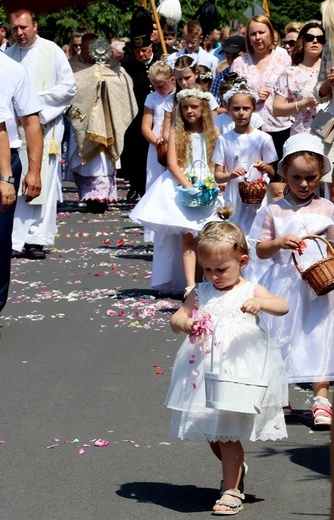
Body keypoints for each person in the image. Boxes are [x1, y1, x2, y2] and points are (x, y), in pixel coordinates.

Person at [165, 208, 288, 515]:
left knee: (228, 431)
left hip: (237, 370)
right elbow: (180, 315)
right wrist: (184, 323)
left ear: (242, 262)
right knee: (210, 430)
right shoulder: (201, 292)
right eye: (207, 270)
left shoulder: (249, 289)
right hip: (203, 370)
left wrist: (261, 303)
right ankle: (235, 470)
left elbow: (282, 305)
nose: (213, 276)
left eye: (221, 269)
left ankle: (231, 489)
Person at [250, 133, 334, 426]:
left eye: (310, 177)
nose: (303, 184)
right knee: (282, 338)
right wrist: (278, 242)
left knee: (319, 336)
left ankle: (321, 398)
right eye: (296, 177)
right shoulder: (273, 210)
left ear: (320, 174)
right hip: (285, 282)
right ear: (284, 173)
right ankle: (280, 394)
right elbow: (259, 249)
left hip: (319, 284)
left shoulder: (327, 208)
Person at [130, 88, 221, 297]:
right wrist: (188, 186)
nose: (190, 111)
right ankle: (190, 285)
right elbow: (172, 163)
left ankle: (203, 282)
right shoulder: (176, 133)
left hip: (207, 183)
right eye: (186, 107)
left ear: (203, 109)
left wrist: (213, 181)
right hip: (183, 183)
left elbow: (216, 161)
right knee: (188, 237)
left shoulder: (213, 134)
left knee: (206, 239)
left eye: (194, 107)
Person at [7, 9, 76, 260]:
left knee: (43, 182)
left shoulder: (52, 51)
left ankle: (37, 239)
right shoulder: (8, 55)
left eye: (24, 27)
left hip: (45, 128)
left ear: (35, 26)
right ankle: (15, 238)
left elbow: (68, 88)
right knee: (17, 180)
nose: (19, 33)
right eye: (15, 28)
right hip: (17, 127)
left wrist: (34, 103)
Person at [66, 36, 138, 214]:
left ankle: (101, 197)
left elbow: (124, 85)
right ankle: (89, 197)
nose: (87, 52)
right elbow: (69, 88)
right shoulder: (73, 66)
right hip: (83, 122)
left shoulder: (113, 67)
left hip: (108, 121)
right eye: (83, 48)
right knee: (86, 162)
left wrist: (107, 86)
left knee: (104, 162)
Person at [231, 15, 291, 202]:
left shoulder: (282, 57)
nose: (257, 37)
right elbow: (232, 95)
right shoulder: (240, 63)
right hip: (252, 129)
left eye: (261, 32)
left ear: (270, 33)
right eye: (253, 34)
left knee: (278, 182)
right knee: (253, 182)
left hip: (280, 127)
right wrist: (254, 95)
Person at [0, 50, 43, 311]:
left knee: (1, 239)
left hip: (6, 158)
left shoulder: (13, 69)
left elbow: (30, 121)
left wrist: (33, 170)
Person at [212, 82, 277, 237]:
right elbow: (217, 174)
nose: (241, 113)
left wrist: (264, 167)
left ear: (253, 109)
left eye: (245, 108)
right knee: (234, 234)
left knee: (255, 234)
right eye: (236, 109)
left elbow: (273, 171)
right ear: (228, 109)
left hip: (256, 196)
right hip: (233, 195)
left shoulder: (263, 138)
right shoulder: (224, 140)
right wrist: (229, 175)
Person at [120, 7, 161, 202]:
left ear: (150, 47)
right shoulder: (128, 64)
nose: (141, 55)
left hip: (159, 115)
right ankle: (137, 186)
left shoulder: (163, 58)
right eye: (137, 52)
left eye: (144, 50)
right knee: (136, 153)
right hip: (136, 116)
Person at [273, 21, 325, 135]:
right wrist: (303, 104)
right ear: (302, 40)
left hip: (329, 138)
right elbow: (276, 109)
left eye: (320, 38)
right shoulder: (289, 73)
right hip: (301, 136)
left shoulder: (330, 70)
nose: (315, 41)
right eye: (310, 37)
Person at [314, 0, 334, 202]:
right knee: (329, 182)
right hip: (332, 123)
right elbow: (319, 91)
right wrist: (328, 83)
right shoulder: (328, 47)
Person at [210, 35, 246, 107]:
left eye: (236, 56)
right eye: (228, 56)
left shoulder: (253, 76)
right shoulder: (220, 77)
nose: (231, 60)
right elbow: (213, 105)